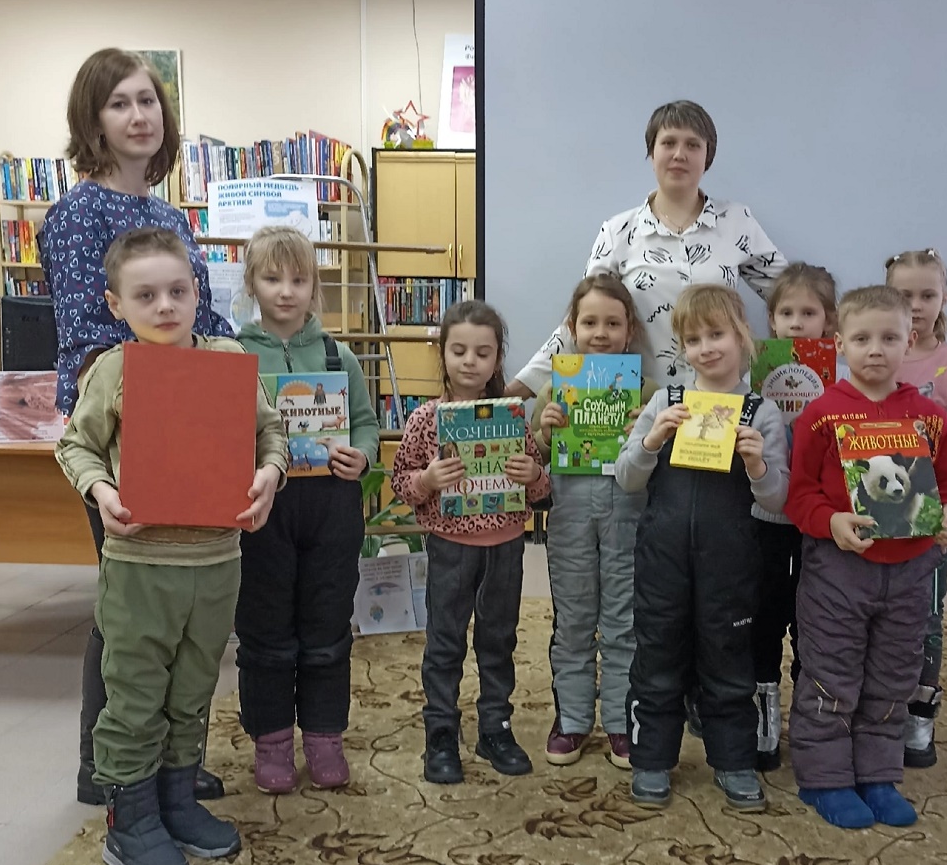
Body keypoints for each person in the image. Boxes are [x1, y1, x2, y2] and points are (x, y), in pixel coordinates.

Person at [55, 228, 288, 865]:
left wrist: (270, 475)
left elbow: (269, 432)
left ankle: (176, 800)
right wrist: (101, 491)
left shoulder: (227, 359)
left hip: (215, 564)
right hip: (141, 566)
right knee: (134, 692)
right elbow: (75, 446)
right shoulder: (114, 370)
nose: (165, 306)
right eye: (146, 295)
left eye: (178, 291)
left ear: (196, 293)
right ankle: (129, 820)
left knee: (193, 689)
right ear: (115, 304)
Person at [40, 48, 233, 807]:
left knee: (184, 602)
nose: (139, 115)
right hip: (127, 427)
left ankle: (172, 761)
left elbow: (206, 320)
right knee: (130, 605)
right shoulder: (77, 214)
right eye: (120, 103)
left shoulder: (169, 216)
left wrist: (238, 378)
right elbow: (88, 334)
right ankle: (107, 766)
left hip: (197, 422)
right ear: (93, 118)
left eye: (148, 100)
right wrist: (163, 385)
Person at [785, 284, 947, 831]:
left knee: (893, 675)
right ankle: (824, 778)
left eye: (889, 338)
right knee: (831, 673)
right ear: (840, 344)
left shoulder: (929, 417)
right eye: (862, 339)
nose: (875, 350)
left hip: (911, 571)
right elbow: (799, 495)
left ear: (909, 341)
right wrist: (831, 521)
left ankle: (878, 775)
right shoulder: (820, 415)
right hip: (837, 572)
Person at [615, 284, 789, 811]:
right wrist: (651, 441)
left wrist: (757, 463)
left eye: (717, 334)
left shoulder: (761, 412)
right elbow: (626, 479)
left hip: (731, 563)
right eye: (693, 340)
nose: (706, 348)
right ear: (682, 348)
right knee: (657, 653)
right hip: (662, 558)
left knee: (728, 657)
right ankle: (651, 759)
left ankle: (734, 760)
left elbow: (777, 499)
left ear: (742, 336)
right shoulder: (665, 403)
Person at [507, 101, 786, 396]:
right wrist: (511, 395)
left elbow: (793, 301)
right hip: (642, 406)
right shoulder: (618, 232)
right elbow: (580, 322)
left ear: (708, 156)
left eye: (693, 144)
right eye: (668, 143)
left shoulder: (737, 223)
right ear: (652, 153)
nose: (679, 154)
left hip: (722, 404)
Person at [235, 225, 380, 793]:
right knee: (264, 623)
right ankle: (271, 742)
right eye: (272, 278)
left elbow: (365, 425)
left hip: (331, 506)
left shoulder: (338, 355)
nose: (286, 291)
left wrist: (362, 457)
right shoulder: (234, 355)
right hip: (261, 509)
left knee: (327, 621)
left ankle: (324, 737)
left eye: (298, 279)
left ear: (314, 285)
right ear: (252, 283)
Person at [390, 300, 550, 785]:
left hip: (506, 547)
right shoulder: (426, 419)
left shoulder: (513, 418)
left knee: (498, 639)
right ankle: (441, 731)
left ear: (497, 359)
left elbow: (541, 492)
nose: (470, 362)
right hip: (450, 547)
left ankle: (495, 727)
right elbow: (400, 482)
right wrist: (428, 479)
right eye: (458, 350)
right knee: (445, 640)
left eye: (483, 353)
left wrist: (533, 474)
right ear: (443, 353)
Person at [530, 273, 656, 770]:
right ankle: (574, 718)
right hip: (570, 519)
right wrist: (545, 432)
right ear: (573, 328)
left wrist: (647, 434)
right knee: (574, 620)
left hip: (629, 518)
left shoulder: (648, 392)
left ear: (630, 331)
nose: (600, 333)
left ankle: (622, 721)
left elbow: (665, 465)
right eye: (589, 323)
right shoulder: (554, 389)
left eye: (612, 323)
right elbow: (533, 459)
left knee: (625, 622)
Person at [885, 248, 947, 770]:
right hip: (874, 507)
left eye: (927, 294)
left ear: (946, 298)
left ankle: (918, 714)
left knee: (926, 614)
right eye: (904, 295)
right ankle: (875, 709)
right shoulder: (872, 353)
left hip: (932, 513)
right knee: (874, 612)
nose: (916, 306)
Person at [750, 261, 839, 772]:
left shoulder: (840, 379)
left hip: (817, 520)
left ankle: (810, 712)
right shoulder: (754, 371)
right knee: (763, 610)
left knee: (815, 616)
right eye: (787, 313)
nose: (797, 323)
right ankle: (763, 704)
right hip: (764, 515)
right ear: (772, 320)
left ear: (828, 321)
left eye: (809, 313)